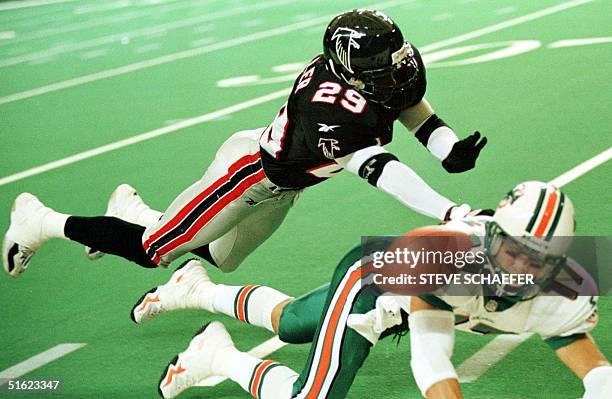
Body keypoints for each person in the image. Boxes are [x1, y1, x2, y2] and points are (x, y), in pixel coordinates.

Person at [3, 9, 487, 277]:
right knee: (155, 251)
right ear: (349, 71)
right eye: (383, 63)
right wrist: (449, 212)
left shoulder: (365, 82)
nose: (397, 68)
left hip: (284, 183)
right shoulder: (330, 109)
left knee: (221, 258)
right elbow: (379, 167)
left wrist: (445, 147)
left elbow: (407, 107)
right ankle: (40, 220)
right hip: (247, 176)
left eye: (394, 57)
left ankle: (133, 210)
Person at [133, 181, 609, 399]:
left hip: (438, 297)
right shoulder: (446, 256)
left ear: (561, 258)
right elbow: (430, 354)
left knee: (294, 322)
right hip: (381, 283)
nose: (519, 266)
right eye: (510, 250)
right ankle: (218, 357)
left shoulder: (573, 282)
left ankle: (194, 288)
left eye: (535, 258)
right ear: (492, 236)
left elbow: (581, 353)